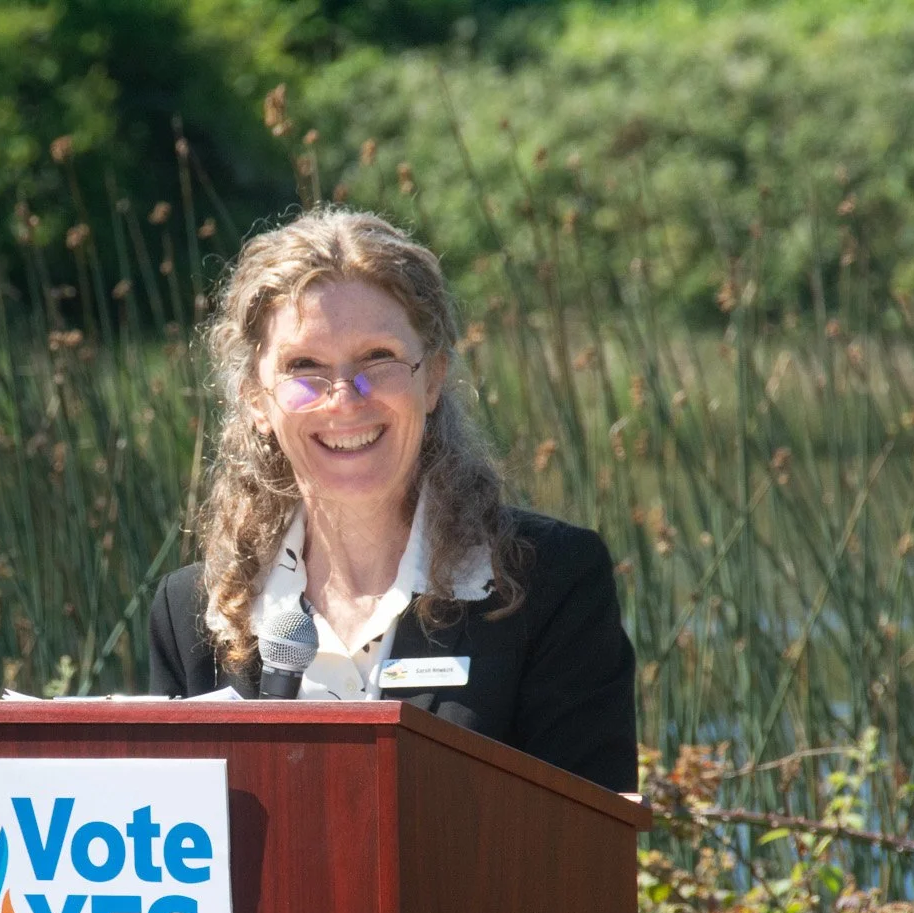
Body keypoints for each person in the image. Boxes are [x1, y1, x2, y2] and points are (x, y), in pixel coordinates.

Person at [146, 206, 637, 793]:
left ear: (432, 379)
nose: (344, 399)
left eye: (377, 359)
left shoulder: (550, 584)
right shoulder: (191, 613)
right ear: (256, 398)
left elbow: (585, 856)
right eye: (304, 366)